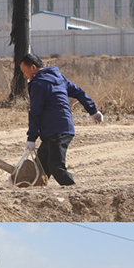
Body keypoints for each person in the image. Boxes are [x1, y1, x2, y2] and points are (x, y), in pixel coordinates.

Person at [19, 53, 103, 186]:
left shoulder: (38, 84)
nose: (24, 75)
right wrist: (93, 111)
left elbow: (35, 112)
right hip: (59, 129)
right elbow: (79, 92)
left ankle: (73, 190)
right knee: (41, 168)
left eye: (24, 71)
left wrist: (31, 138)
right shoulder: (58, 78)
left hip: (56, 131)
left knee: (56, 167)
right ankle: (30, 190)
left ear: (33, 68)